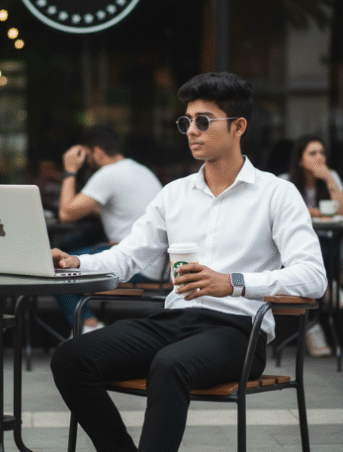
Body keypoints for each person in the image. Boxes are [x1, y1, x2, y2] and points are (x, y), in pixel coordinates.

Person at [50, 72, 326, 452]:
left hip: (239, 331)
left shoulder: (277, 194)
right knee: (70, 358)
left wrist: (234, 282)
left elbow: (313, 277)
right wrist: (75, 263)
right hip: (174, 321)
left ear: (238, 126)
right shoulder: (175, 194)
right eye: (187, 121)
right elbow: (129, 255)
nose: (192, 131)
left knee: (170, 364)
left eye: (203, 121)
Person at [56, 125, 163, 333]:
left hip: (139, 265)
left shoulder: (108, 174)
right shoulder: (139, 169)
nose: (87, 164)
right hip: (157, 262)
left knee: (60, 269)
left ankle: (89, 328)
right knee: (69, 244)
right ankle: (87, 324)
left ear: (97, 153)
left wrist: (70, 170)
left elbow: (66, 214)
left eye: (87, 158)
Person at [280, 135, 343, 356]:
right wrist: (316, 213)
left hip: (328, 240)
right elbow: (285, 213)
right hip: (294, 245)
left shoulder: (331, 177)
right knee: (315, 248)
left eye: (322, 153)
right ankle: (329, 290)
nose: (319, 158)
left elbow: (341, 210)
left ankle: (318, 316)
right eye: (313, 153)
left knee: (328, 246)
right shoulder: (285, 181)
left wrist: (329, 179)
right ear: (300, 159)